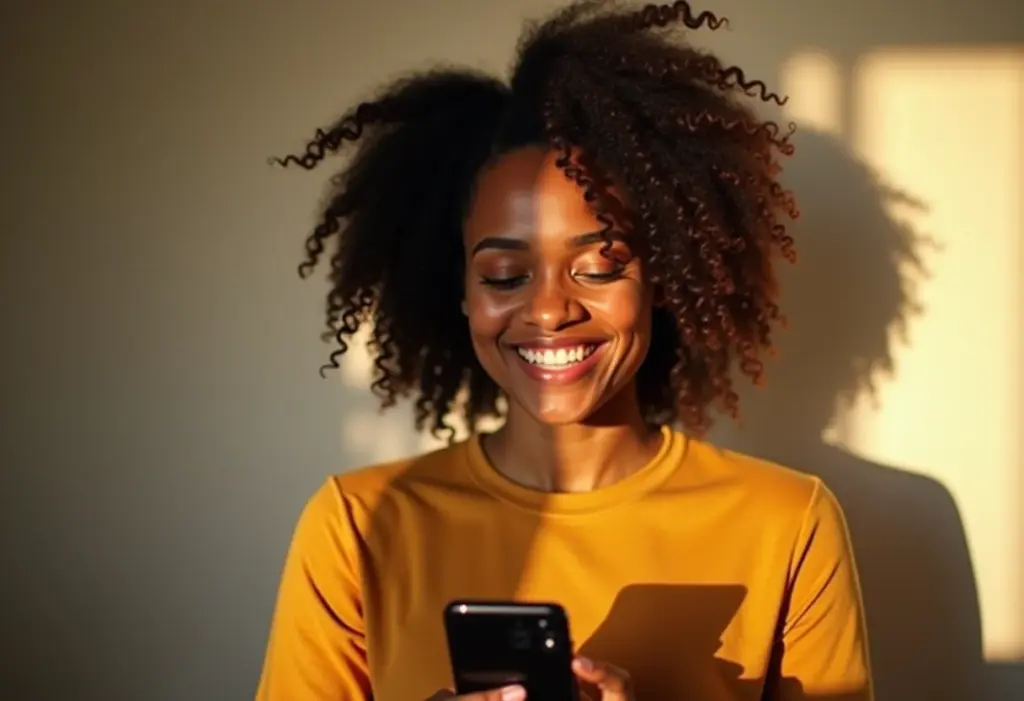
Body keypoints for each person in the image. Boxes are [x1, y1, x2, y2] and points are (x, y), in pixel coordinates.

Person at [256, 2, 873, 700]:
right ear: (460, 289)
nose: (549, 309)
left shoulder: (787, 522)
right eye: (503, 276)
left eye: (600, 265)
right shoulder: (358, 524)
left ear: (661, 278)